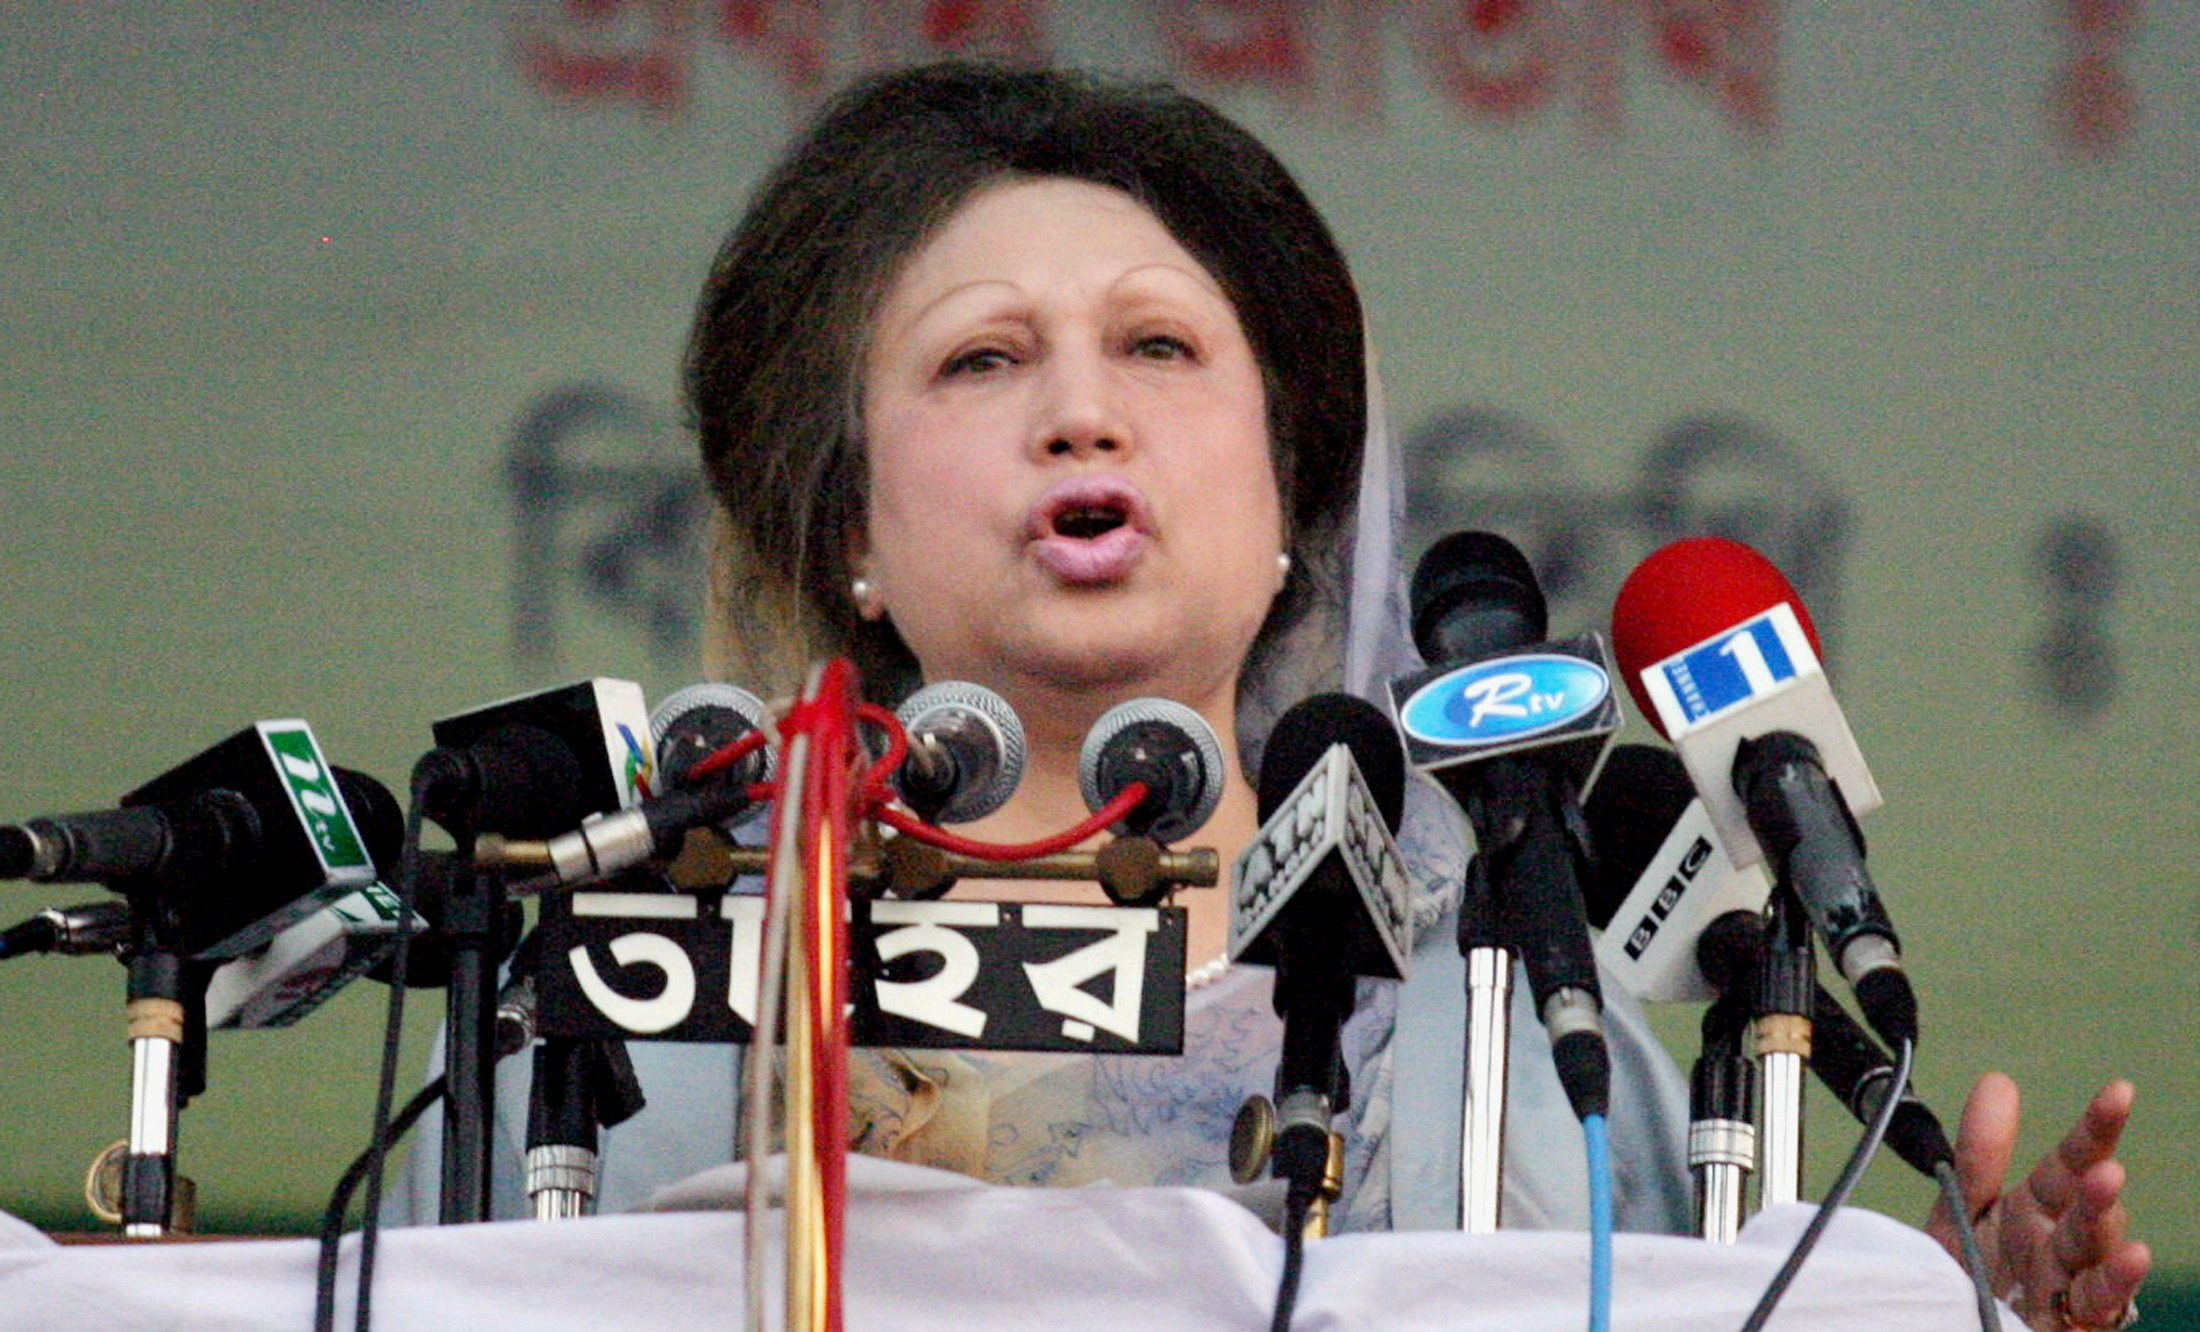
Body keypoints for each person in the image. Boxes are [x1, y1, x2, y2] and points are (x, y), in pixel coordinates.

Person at [400, 59, 2149, 1329]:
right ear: (851, 528)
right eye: (984, 358)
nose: (1083, 415)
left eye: (1159, 346)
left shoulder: (1503, 987)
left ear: (1287, 499)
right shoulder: (644, 995)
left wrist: (1920, 1306)